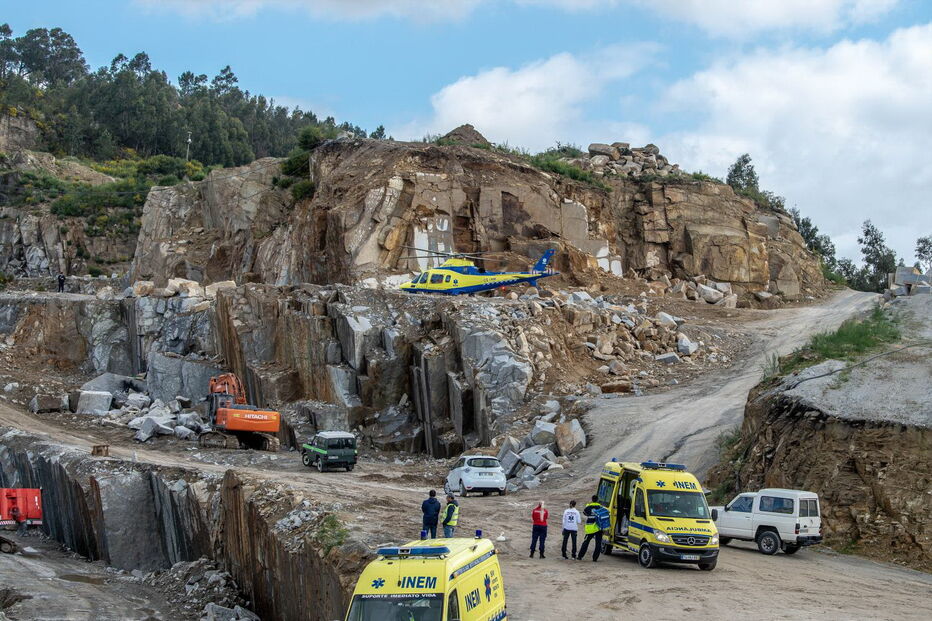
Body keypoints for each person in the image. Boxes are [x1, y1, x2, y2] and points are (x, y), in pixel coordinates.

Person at [577, 495, 603, 562]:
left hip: (590, 527)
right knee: (598, 543)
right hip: (598, 527)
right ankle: (595, 558)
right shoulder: (600, 507)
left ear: (592, 499)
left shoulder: (588, 506)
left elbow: (585, 513)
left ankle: (580, 556)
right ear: (597, 500)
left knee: (586, 542)